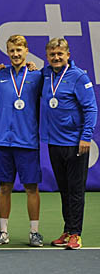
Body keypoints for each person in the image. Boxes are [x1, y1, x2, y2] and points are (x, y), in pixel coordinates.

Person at [40, 38, 97, 250]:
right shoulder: (45, 74)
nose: (56, 58)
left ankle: (76, 234)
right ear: (47, 56)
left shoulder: (79, 77)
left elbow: (91, 108)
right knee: (64, 189)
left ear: (68, 55)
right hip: (54, 143)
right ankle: (67, 229)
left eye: (59, 54)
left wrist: (86, 136)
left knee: (76, 190)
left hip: (75, 143)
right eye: (52, 54)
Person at [0, 35, 44, 247]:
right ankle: (3, 232)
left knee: (31, 188)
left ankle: (34, 233)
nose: (15, 54)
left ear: (26, 51)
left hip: (27, 142)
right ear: (7, 52)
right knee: (4, 188)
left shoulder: (37, 76)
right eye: (11, 50)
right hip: (4, 142)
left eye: (19, 50)